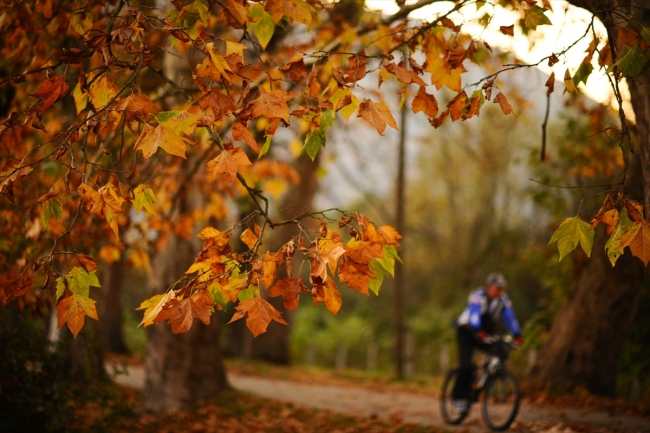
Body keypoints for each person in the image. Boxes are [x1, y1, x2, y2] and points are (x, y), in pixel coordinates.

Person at [451, 272, 523, 414]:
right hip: (467, 332)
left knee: (501, 349)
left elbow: (510, 317)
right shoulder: (478, 296)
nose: (500, 292)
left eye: (502, 289)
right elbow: (474, 315)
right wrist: (478, 330)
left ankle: (485, 376)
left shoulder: (503, 300)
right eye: (497, 288)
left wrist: (517, 334)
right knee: (466, 367)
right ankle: (458, 398)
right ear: (489, 286)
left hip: (484, 333)